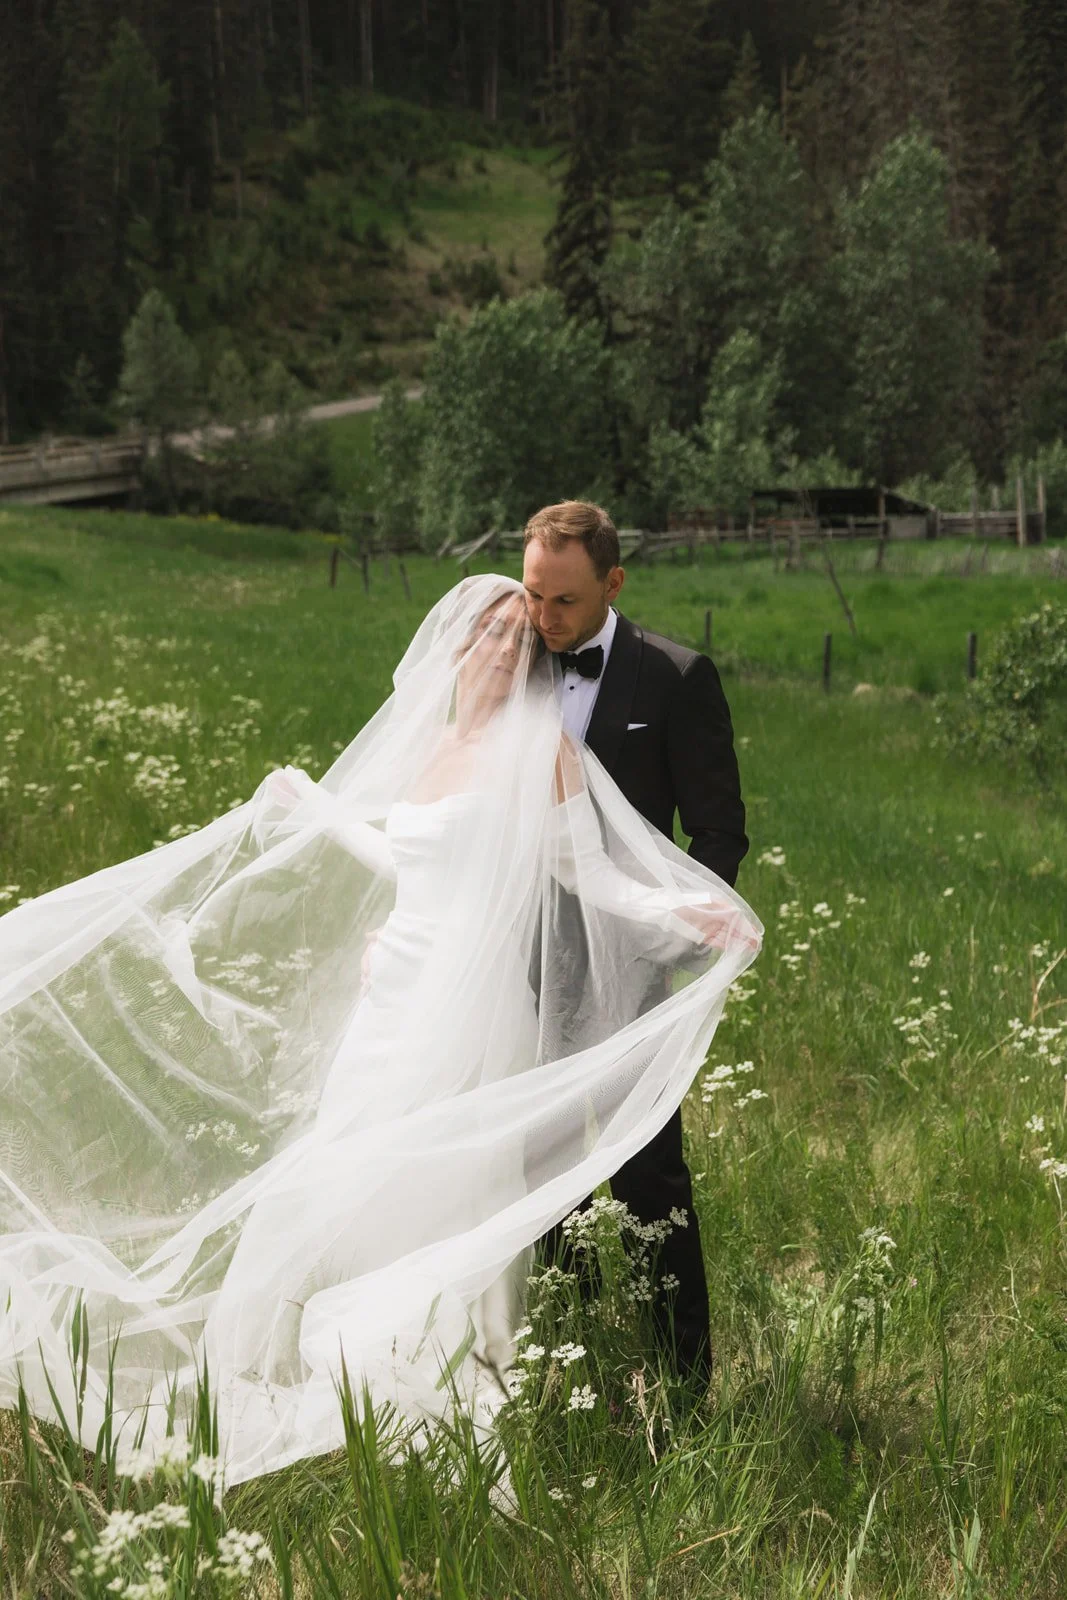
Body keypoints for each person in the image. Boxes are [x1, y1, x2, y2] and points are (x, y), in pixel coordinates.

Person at [0, 575, 760, 1486]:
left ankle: (449, 1375)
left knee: (449, 1183)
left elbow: (587, 872)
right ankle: (314, 1353)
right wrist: (312, 809)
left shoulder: (543, 753)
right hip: (394, 987)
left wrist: (687, 907)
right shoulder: (439, 748)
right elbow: (409, 860)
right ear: (452, 649)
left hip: (472, 1002)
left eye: (515, 644)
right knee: (350, 1162)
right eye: (484, 639)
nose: (496, 654)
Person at [523, 501, 748, 1386]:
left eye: (564, 603)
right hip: (523, 957)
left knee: (649, 1175)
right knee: (540, 1173)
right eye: (534, 596)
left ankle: (682, 1384)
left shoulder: (675, 677)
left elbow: (719, 830)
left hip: (635, 965)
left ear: (612, 585)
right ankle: (568, 1371)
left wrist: (670, 935)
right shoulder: (511, 666)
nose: (543, 620)